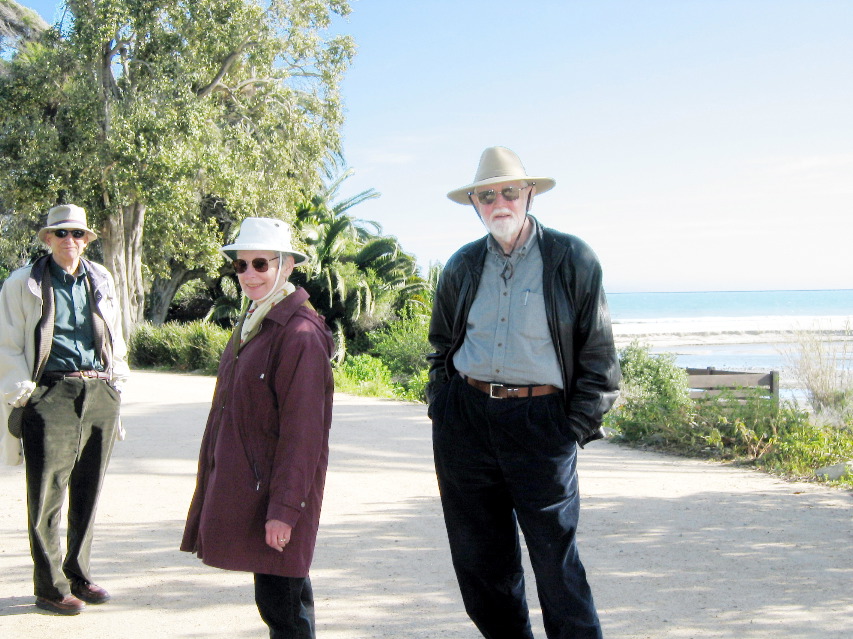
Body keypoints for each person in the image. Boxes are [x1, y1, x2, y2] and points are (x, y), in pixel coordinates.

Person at [427, 146, 622, 639]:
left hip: (541, 424)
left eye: (509, 191)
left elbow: (599, 355)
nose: (500, 202)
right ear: (474, 202)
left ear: (529, 194)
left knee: (556, 563)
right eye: (487, 195)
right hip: (467, 423)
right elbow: (441, 346)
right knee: (480, 564)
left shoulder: (571, 259)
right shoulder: (462, 266)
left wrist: (570, 429)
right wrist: (444, 408)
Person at [181, 217, 334, 638]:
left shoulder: (299, 333)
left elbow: (304, 437)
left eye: (261, 263)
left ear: (287, 266)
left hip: (279, 494)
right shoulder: (257, 320)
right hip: (258, 490)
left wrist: (284, 512)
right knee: (284, 600)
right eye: (241, 265)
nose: (249, 274)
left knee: (283, 608)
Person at [0, 204, 129, 615]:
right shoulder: (23, 283)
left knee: (88, 489)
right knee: (47, 494)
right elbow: (6, 342)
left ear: (86, 239)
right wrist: (25, 394)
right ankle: (50, 586)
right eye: (61, 234)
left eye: (77, 234)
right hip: (51, 390)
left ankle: (79, 573)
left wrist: (117, 383)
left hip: (99, 390)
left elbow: (115, 331)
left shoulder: (100, 278)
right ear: (47, 239)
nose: (69, 241)